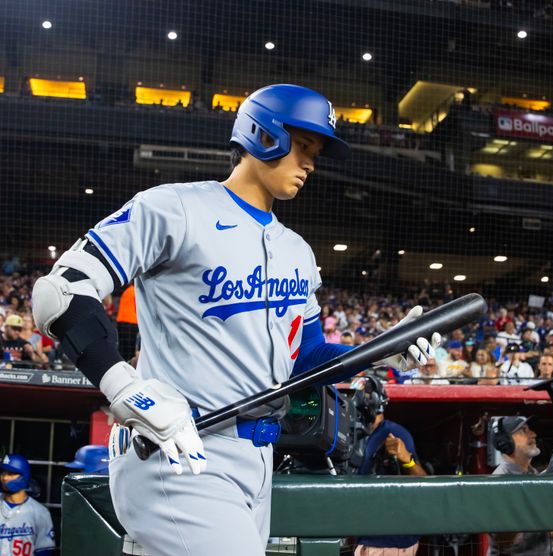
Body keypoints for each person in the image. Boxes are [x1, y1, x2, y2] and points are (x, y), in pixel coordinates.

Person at [31, 83, 440, 554]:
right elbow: (58, 294)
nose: (310, 162)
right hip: (178, 450)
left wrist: (376, 351)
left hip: (259, 459)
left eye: (317, 152)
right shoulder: (176, 208)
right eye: (303, 146)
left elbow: (307, 360)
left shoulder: (298, 252)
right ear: (264, 135)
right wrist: (127, 390)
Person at [352, 374, 425, 556]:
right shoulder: (354, 433)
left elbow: (424, 484)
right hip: (364, 533)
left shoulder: (395, 432)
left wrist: (406, 460)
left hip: (391, 540)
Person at [490, 417, 553, 555]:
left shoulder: (532, 473)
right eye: (523, 431)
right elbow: (510, 542)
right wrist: (541, 494)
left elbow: (544, 532)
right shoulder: (499, 480)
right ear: (506, 443)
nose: (533, 434)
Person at [0, 454, 55, 556]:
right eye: (2, 473)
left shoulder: (40, 512)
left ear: (24, 476)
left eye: (11, 474)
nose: (5, 478)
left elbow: (44, 552)